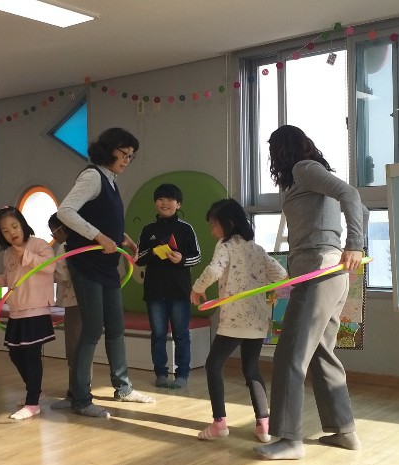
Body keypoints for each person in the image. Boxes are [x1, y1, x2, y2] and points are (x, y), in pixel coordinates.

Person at [255, 125, 369, 460]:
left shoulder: (304, 169)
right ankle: (344, 431)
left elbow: (352, 196)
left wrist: (354, 245)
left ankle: (289, 439)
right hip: (329, 274)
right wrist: (343, 247)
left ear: (282, 150)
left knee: (289, 354)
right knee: (320, 353)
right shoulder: (310, 175)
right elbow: (360, 210)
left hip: (318, 274)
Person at [56, 127, 155, 418]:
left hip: (107, 265)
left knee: (115, 327)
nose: (127, 160)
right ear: (109, 150)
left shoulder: (110, 180)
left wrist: (123, 237)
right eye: (124, 154)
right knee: (91, 330)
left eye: (131, 156)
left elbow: (99, 216)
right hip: (86, 263)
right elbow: (66, 211)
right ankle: (80, 398)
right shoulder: (92, 176)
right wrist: (99, 237)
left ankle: (123, 387)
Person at [189, 199, 286, 442]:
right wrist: (265, 289)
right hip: (257, 320)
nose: (212, 231)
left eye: (214, 225)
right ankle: (264, 425)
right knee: (251, 369)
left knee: (213, 365)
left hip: (234, 319)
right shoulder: (256, 248)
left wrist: (197, 288)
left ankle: (219, 424)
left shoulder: (226, 245)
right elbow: (282, 275)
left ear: (228, 223)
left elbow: (214, 270)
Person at [0, 207, 55, 420]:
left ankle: (33, 403)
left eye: (14, 226)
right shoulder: (8, 254)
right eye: (5, 231)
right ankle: (35, 390)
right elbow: (9, 277)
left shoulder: (38, 244)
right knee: (15, 353)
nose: (11, 232)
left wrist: (27, 255)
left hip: (36, 309)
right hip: (17, 311)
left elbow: (50, 267)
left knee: (32, 356)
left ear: (22, 224)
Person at [134, 183, 201, 389]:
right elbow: (138, 259)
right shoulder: (148, 229)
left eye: (170, 199)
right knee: (158, 334)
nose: (165, 203)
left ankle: (182, 374)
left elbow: (197, 257)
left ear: (178, 204)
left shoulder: (186, 228)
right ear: (155, 203)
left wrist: (181, 259)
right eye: (161, 199)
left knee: (181, 334)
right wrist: (153, 252)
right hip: (154, 292)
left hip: (179, 291)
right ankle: (161, 373)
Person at [47, 214, 83, 410]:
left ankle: (76, 392)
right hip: (86, 300)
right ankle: (80, 388)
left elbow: (62, 274)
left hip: (74, 303)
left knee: (74, 348)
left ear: (60, 229)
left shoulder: (64, 247)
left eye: (53, 232)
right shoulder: (82, 242)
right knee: (82, 347)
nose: (53, 236)